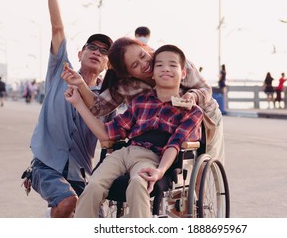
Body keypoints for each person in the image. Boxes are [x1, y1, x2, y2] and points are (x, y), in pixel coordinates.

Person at [65, 44, 204, 218]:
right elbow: (107, 133)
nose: (166, 69)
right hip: (123, 153)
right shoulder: (140, 102)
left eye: (172, 65)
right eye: (159, 65)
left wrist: (160, 170)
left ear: (184, 73)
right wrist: (77, 102)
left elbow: (175, 144)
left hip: (152, 157)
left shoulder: (192, 111)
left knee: (139, 183)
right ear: (152, 73)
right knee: (93, 186)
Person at [26, 0, 114, 218]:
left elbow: (108, 136)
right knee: (67, 202)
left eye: (104, 52)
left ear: (108, 64)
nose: (97, 53)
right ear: (80, 52)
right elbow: (57, 27)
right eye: (92, 48)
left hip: (80, 172)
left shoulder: (107, 99)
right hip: (46, 165)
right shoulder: (60, 72)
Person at [62, 37, 225, 165]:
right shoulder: (125, 85)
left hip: (204, 118)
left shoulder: (171, 62)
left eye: (143, 55)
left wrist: (193, 96)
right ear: (127, 74)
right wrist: (81, 84)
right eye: (135, 65)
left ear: (145, 48)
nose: (145, 64)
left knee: (201, 168)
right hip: (165, 128)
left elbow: (206, 90)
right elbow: (98, 108)